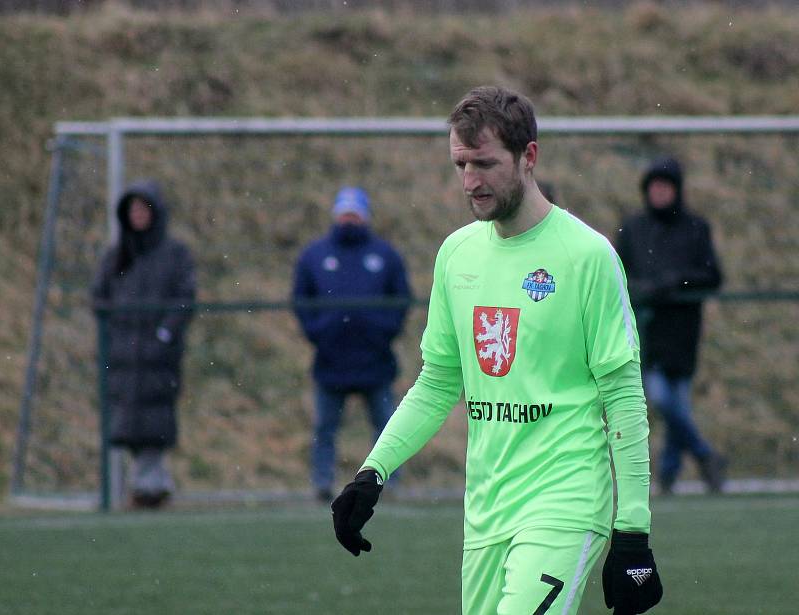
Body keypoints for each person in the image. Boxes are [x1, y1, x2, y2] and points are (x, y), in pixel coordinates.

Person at [331, 86, 663, 615]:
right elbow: (438, 382)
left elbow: (623, 396)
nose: (470, 181)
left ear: (528, 156)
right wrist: (372, 473)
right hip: (486, 510)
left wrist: (634, 532)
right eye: (460, 164)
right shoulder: (456, 254)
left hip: (566, 500)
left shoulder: (587, 256)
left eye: (484, 163)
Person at [292, 187, 412, 503]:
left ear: (365, 216)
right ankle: (321, 483)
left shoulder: (384, 255)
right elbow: (301, 300)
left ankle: (388, 482)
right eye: (344, 213)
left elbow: (401, 300)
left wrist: (380, 331)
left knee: (387, 428)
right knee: (325, 429)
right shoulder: (315, 255)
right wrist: (321, 331)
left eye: (355, 213)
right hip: (331, 361)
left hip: (375, 360)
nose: (349, 219)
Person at [615, 157, 725, 495]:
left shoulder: (695, 228)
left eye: (666, 187)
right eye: (654, 187)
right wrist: (643, 289)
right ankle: (706, 455)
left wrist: (676, 282)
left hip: (682, 330)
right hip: (646, 330)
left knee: (678, 399)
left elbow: (712, 275)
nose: (659, 193)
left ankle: (669, 473)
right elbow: (616, 274)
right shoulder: (633, 229)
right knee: (662, 397)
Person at [92, 180, 196, 509]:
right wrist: (115, 335)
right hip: (124, 357)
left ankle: (149, 486)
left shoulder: (174, 254)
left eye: (143, 208)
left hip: (157, 357)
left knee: (154, 423)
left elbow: (185, 297)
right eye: (133, 209)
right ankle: (149, 484)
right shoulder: (116, 255)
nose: (138, 215)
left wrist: (164, 334)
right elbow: (99, 297)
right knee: (128, 424)